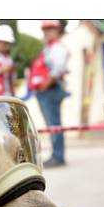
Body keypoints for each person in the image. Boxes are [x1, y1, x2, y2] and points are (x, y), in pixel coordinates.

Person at [29, 20, 70, 168]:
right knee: (52, 124)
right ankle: (56, 155)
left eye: (50, 29)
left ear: (57, 30)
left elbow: (57, 69)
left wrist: (47, 83)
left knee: (54, 124)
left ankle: (58, 157)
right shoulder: (48, 48)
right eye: (44, 29)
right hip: (45, 90)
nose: (46, 32)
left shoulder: (58, 47)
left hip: (51, 90)